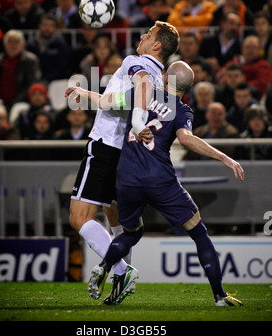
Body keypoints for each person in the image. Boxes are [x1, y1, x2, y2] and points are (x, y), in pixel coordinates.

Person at [88, 61, 244, 307]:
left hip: (127, 177)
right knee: (198, 231)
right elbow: (187, 139)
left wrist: (80, 93)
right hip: (159, 179)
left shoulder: (141, 92)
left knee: (131, 232)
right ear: (189, 87)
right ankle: (219, 296)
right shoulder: (182, 111)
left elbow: (105, 102)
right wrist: (224, 156)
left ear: (164, 77)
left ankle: (104, 265)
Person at [64, 21, 180, 300]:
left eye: (149, 34)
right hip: (126, 154)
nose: (142, 35)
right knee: (117, 220)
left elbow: (135, 92)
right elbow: (120, 101)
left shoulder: (136, 62)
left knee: (78, 218)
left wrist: (137, 120)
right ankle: (119, 281)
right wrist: (88, 96)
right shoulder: (158, 77)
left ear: (157, 45)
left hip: (105, 146)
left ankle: (119, 268)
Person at [0, 29, 42, 108]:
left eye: (16, 41)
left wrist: (15, 102)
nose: (13, 45)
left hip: (21, 103)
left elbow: (32, 84)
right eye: (10, 41)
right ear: (4, 44)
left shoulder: (31, 60)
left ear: (23, 44)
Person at [26, 13, 71, 83]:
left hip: (55, 82)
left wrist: (47, 80)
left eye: (51, 26)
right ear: (39, 26)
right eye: (45, 25)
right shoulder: (32, 44)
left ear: (55, 29)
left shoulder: (60, 44)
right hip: (34, 81)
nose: (47, 28)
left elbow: (62, 67)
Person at [199, 11, 242, 79]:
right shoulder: (208, 41)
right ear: (223, 23)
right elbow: (199, 59)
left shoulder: (241, 46)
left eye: (237, 25)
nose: (234, 27)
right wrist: (207, 62)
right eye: (231, 23)